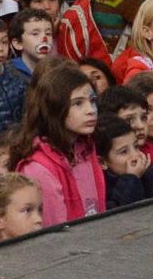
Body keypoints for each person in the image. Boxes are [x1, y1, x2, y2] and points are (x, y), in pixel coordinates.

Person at [10, 64, 104, 227]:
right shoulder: (39, 168)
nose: (90, 110)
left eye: (92, 101)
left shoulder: (86, 149)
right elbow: (55, 234)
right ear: (55, 109)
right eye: (78, 103)